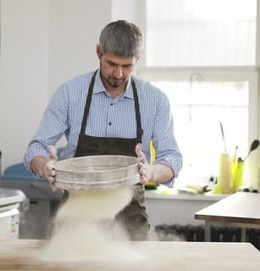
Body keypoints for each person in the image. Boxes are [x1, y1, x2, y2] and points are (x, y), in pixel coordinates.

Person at [24, 20, 182, 241]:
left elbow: (172, 157)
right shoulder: (70, 93)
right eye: (111, 63)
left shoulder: (155, 100)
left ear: (138, 58)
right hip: (76, 229)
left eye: (127, 66)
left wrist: (151, 172)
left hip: (131, 229)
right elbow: (36, 147)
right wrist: (44, 166)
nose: (118, 74)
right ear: (98, 52)